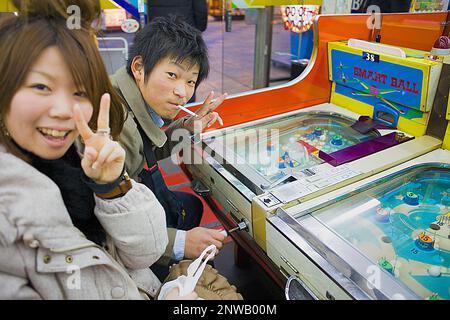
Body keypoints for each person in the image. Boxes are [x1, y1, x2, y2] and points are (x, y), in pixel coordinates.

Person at [0, 5, 196, 300]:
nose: (65, 111)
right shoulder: (118, 120)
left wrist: (113, 186)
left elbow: (143, 252)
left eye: (80, 92)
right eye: (41, 86)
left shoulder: (83, 150)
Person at [111, 16, 227, 278]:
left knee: (192, 205)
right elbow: (112, 227)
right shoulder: (118, 123)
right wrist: (179, 243)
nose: (182, 92)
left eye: (190, 81)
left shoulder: (130, 97)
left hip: (141, 200)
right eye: (172, 75)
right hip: (121, 244)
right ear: (139, 68)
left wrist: (188, 127)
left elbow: (149, 148)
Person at [147, 1, 208, 103]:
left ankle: (158, 108)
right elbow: (201, 9)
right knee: (186, 74)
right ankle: (185, 109)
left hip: (158, 35)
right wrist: (195, 31)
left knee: (161, 70)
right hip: (185, 37)